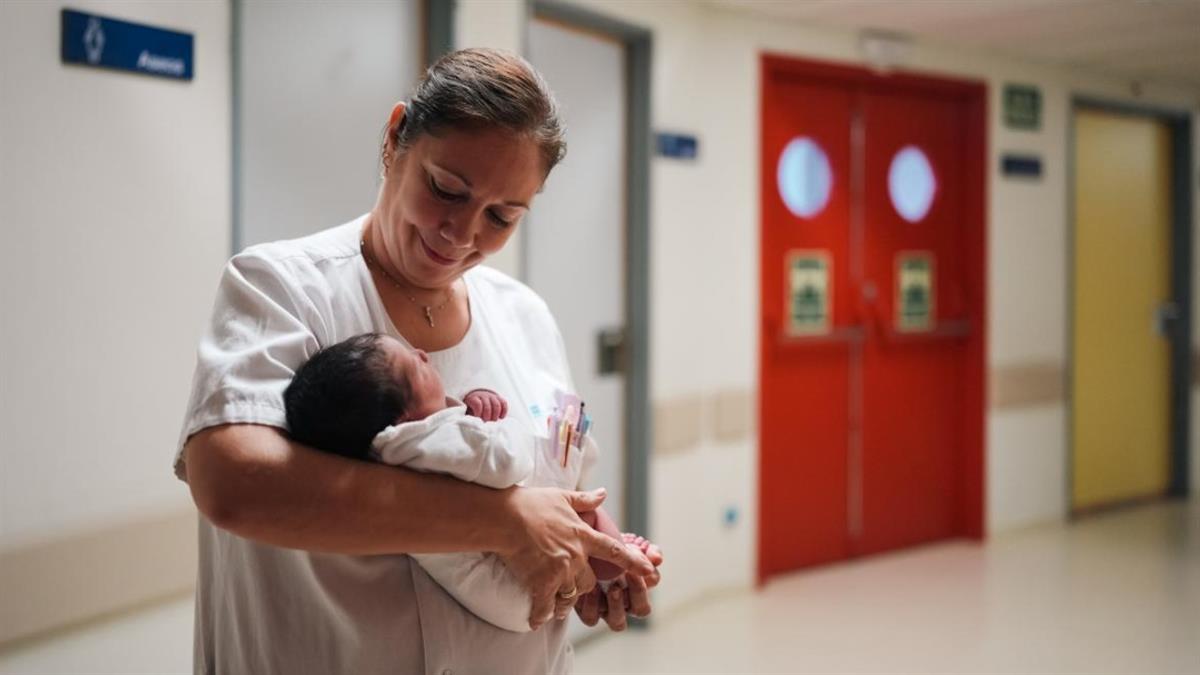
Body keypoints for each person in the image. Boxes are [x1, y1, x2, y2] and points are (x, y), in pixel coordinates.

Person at [175, 48, 663, 674]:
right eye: (446, 190)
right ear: (394, 139)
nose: (461, 234)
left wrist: (594, 553)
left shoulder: (525, 317)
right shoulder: (282, 287)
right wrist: (502, 520)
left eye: (501, 216)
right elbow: (232, 482)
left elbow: (560, 477)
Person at [281, 332, 654, 633]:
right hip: (512, 594)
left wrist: (469, 406)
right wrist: (489, 424)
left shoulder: (397, 447)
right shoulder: (424, 441)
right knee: (581, 514)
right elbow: (507, 463)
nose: (424, 354)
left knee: (574, 511)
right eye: (415, 364)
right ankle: (613, 556)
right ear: (404, 418)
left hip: (510, 592)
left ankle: (611, 557)